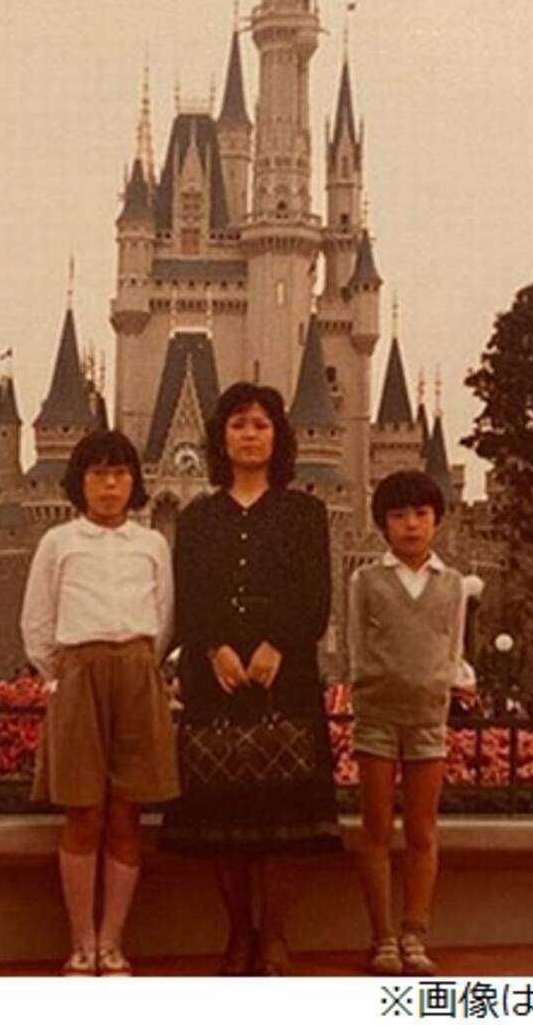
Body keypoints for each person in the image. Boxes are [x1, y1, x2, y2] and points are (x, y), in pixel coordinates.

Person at [159, 382, 338, 977]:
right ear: (222, 437)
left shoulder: (305, 514)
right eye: (238, 424)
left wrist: (276, 642)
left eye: (260, 424)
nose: (250, 434)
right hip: (217, 681)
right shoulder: (198, 518)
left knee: (281, 820)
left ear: (277, 436)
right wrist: (213, 648)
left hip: (284, 678)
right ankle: (238, 932)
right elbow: (190, 594)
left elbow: (315, 594)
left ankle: (274, 936)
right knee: (224, 818)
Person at [21, 429, 177, 978]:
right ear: (80, 482)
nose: (109, 485)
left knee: (126, 814)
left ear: (134, 482)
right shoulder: (58, 543)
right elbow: (37, 620)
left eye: (119, 474)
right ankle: (81, 941)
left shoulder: (152, 545)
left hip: (135, 668)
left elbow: (164, 617)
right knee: (83, 812)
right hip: (78, 671)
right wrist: (63, 676)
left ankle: (112, 941)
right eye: (98, 474)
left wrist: (137, 666)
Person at [342, 470, 463, 977]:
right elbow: (355, 645)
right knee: (376, 829)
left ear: (437, 520)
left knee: (421, 830)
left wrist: (442, 687)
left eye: (420, 514)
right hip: (377, 719)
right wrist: (367, 686)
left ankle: (415, 931)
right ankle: (383, 937)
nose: (411, 524)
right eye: (399, 515)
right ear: (383, 524)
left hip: (427, 720)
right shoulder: (367, 580)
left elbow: (452, 647)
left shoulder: (452, 584)